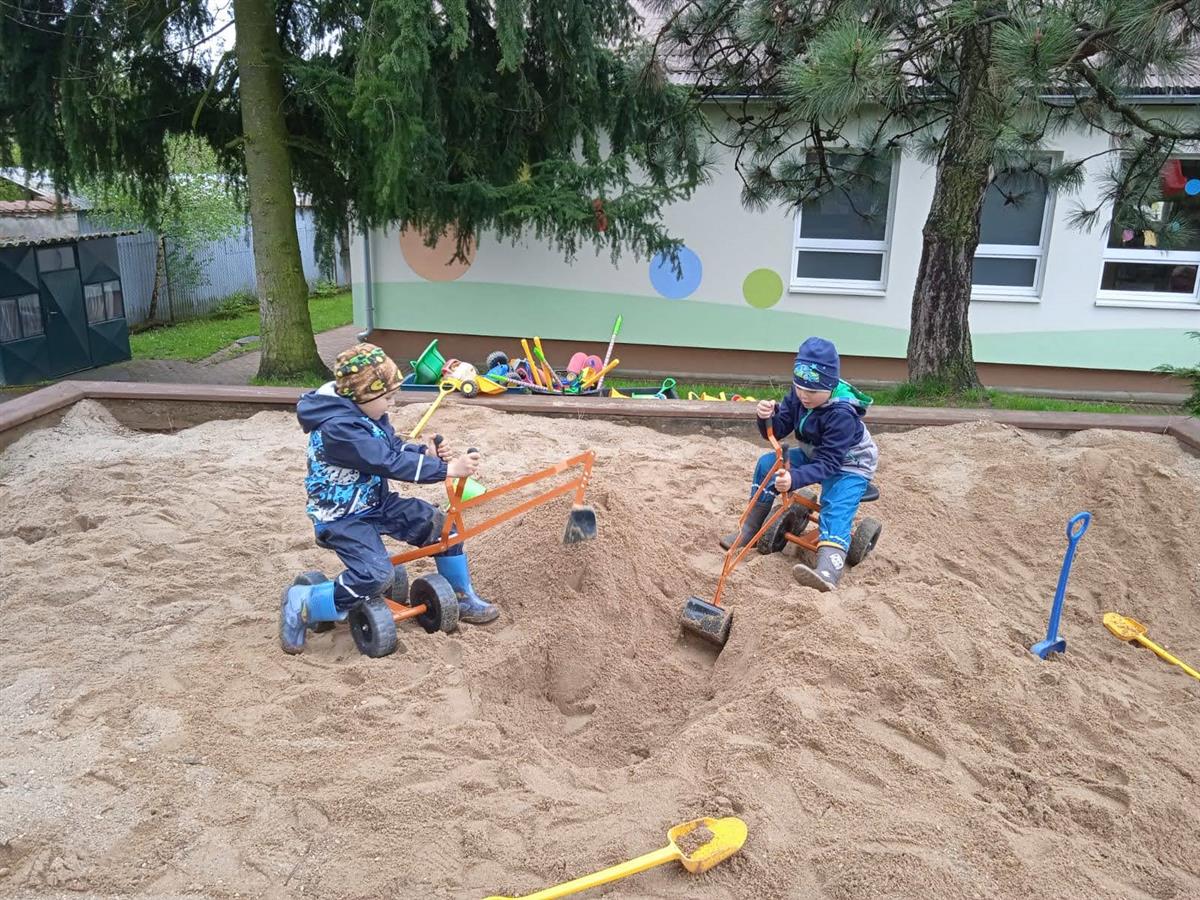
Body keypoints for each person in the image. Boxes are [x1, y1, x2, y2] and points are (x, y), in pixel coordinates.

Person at [279, 343, 498, 654]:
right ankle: (304, 602)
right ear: (363, 395)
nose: (392, 404)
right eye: (387, 397)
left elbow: (391, 447)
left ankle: (461, 596)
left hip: (375, 503)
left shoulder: (364, 412)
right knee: (375, 576)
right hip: (341, 517)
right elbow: (385, 461)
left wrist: (425, 454)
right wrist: (446, 469)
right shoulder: (337, 429)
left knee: (442, 528)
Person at [719, 337, 879, 591]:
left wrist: (794, 479)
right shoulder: (800, 395)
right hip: (814, 452)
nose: (804, 395)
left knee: (835, 503)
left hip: (849, 465)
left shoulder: (841, 415)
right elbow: (779, 429)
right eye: (799, 387)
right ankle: (750, 528)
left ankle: (828, 569)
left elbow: (829, 463)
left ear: (830, 385)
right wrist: (766, 418)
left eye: (812, 392)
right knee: (767, 464)